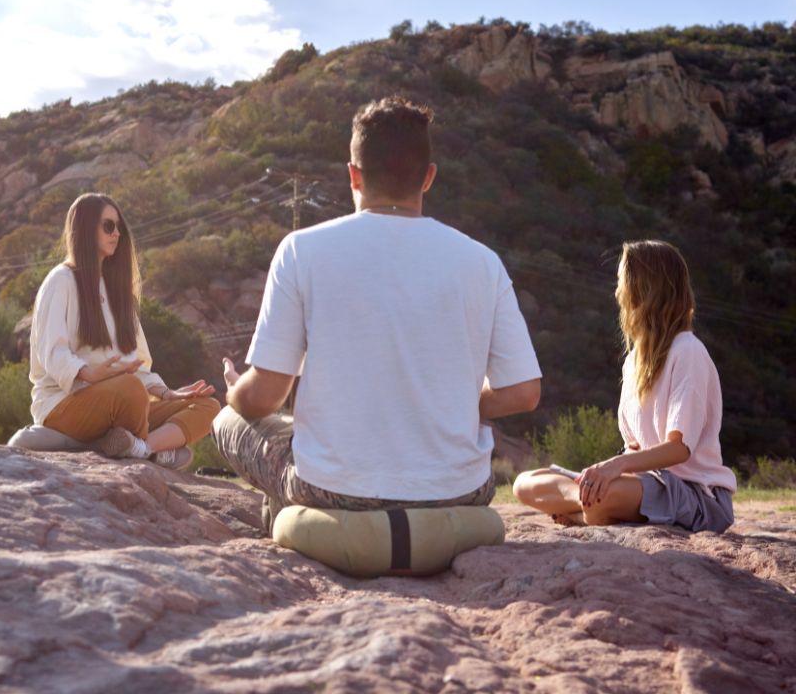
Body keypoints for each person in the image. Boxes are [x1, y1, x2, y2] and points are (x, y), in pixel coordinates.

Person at [215, 95, 542, 530]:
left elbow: (265, 397)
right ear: (428, 178)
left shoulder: (302, 249)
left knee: (229, 421)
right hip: (459, 492)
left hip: (336, 493)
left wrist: (235, 392)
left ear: (353, 174)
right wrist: (457, 401)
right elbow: (524, 393)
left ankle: (295, 520)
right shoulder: (483, 262)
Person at [513, 241, 735, 532]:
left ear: (643, 291)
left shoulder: (688, 351)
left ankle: (588, 510)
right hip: (641, 484)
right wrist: (604, 473)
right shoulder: (633, 361)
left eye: (622, 283)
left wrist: (614, 467)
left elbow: (679, 448)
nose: (617, 293)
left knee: (607, 494)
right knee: (524, 484)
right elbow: (634, 447)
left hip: (695, 494)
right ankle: (589, 505)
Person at [28, 193, 219, 469]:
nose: (116, 233)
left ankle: (142, 447)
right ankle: (157, 451)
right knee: (129, 389)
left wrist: (167, 393)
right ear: (84, 228)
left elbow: (137, 365)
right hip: (64, 405)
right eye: (108, 226)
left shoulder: (120, 294)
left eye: (119, 227)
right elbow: (53, 353)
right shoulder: (61, 280)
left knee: (208, 407)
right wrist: (89, 374)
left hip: (123, 403)